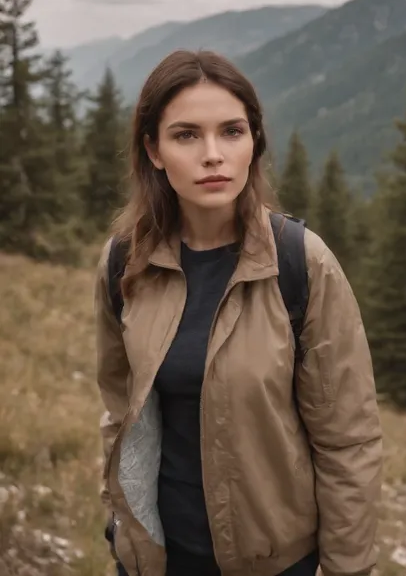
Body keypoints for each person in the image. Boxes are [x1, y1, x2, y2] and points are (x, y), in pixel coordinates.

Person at [94, 49, 383, 576]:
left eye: (232, 131)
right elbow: (120, 412)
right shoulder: (124, 263)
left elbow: (349, 441)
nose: (212, 154)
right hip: (157, 560)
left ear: (254, 143)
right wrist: (121, 524)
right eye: (185, 135)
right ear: (153, 150)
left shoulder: (301, 262)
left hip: (276, 562)